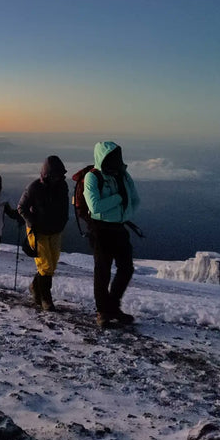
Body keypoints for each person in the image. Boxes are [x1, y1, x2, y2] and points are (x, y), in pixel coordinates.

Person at [84, 141, 140, 328]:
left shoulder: (122, 175)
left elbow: (134, 199)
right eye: (112, 157)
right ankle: (103, 311)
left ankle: (112, 307)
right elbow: (95, 207)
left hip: (119, 227)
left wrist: (124, 211)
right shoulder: (92, 178)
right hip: (100, 229)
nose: (116, 161)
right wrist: (118, 199)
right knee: (103, 271)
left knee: (126, 268)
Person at [18, 156, 69, 311]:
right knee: (46, 266)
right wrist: (32, 222)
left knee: (52, 264)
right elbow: (21, 207)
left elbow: (65, 205)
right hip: (38, 231)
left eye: (59, 175)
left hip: (55, 230)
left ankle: (35, 286)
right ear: (47, 174)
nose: (57, 178)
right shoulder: (34, 187)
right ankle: (46, 299)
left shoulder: (62, 186)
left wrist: (63, 221)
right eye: (54, 175)